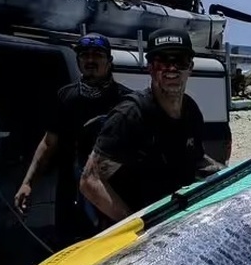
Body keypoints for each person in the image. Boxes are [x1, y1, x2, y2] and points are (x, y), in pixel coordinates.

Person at [79, 29, 223, 224]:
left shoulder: (191, 111)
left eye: (180, 61)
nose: (171, 68)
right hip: (139, 229)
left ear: (190, 67)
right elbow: (90, 181)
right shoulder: (130, 116)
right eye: (162, 61)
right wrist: (136, 225)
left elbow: (197, 159)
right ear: (150, 67)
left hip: (175, 219)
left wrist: (232, 176)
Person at [14, 33, 133, 246]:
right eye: (84, 55)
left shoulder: (127, 101)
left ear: (109, 61)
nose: (90, 60)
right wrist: (28, 183)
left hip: (112, 197)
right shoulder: (65, 97)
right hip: (71, 198)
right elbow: (49, 144)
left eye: (97, 55)